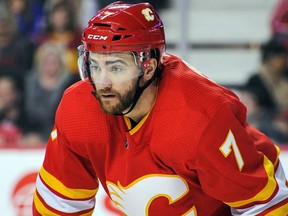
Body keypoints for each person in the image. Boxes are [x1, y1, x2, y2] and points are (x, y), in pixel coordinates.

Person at [33, 2, 288, 215]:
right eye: (95, 66)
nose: (103, 82)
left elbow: (264, 204)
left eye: (116, 67)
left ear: (149, 68)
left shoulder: (199, 117)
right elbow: (59, 205)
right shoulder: (79, 108)